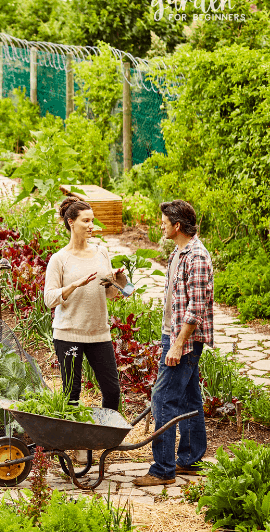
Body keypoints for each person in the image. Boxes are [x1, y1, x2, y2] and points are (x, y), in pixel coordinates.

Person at [134, 200, 213, 487]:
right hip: (173, 334)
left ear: (177, 226)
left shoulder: (197, 257)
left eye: (164, 222)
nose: (161, 225)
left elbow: (197, 308)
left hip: (184, 340)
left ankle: (163, 469)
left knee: (163, 398)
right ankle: (189, 460)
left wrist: (178, 344)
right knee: (189, 398)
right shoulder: (178, 253)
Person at [44, 196, 127, 411]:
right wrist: (74, 285)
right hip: (68, 333)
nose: (92, 226)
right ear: (71, 222)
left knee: (112, 391)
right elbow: (49, 299)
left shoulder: (101, 252)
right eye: (86, 221)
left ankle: (107, 436)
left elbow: (110, 294)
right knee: (72, 393)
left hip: (99, 332)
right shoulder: (59, 259)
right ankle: (75, 440)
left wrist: (119, 280)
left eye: (92, 221)